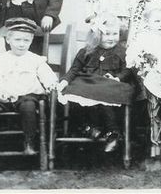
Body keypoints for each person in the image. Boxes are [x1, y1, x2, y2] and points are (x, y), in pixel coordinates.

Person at [0, 18, 58, 160]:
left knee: (28, 107)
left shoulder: (35, 60)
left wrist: (51, 85)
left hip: (27, 96)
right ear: (8, 40)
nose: (22, 44)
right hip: (4, 97)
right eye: (18, 40)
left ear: (31, 41)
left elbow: (47, 75)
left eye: (26, 41)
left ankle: (29, 143)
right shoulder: (0, 60)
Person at [56, 14, 134, 152]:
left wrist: (118, 78)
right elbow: (74, 70)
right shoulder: (86, 51)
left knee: (106, 94)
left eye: (115, 34)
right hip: (89, 83)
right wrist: (65, 81)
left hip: (110, 85)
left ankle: (112, 132)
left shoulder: (122, 52)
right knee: (74, 92)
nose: (111, 38)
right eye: (107, 34)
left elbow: (127, 70)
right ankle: (89, 128)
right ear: (97, 35)